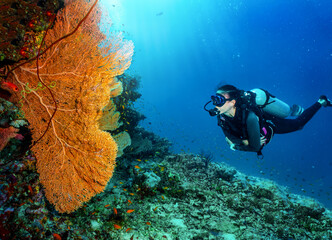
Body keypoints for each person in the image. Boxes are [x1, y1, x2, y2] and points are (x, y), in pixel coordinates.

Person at [204, 84, 332, 157]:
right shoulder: (221, 116)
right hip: (260, 119)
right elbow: (229, 136)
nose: (215, 104)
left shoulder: (250, 117)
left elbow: (255, 147)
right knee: (291, 118)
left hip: (270, 123)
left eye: (219, 100)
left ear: (232, 102)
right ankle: (292, 111)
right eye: (214, 99)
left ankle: (321, 102)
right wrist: (243, 141)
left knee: (298, 124)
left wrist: (236, 145)